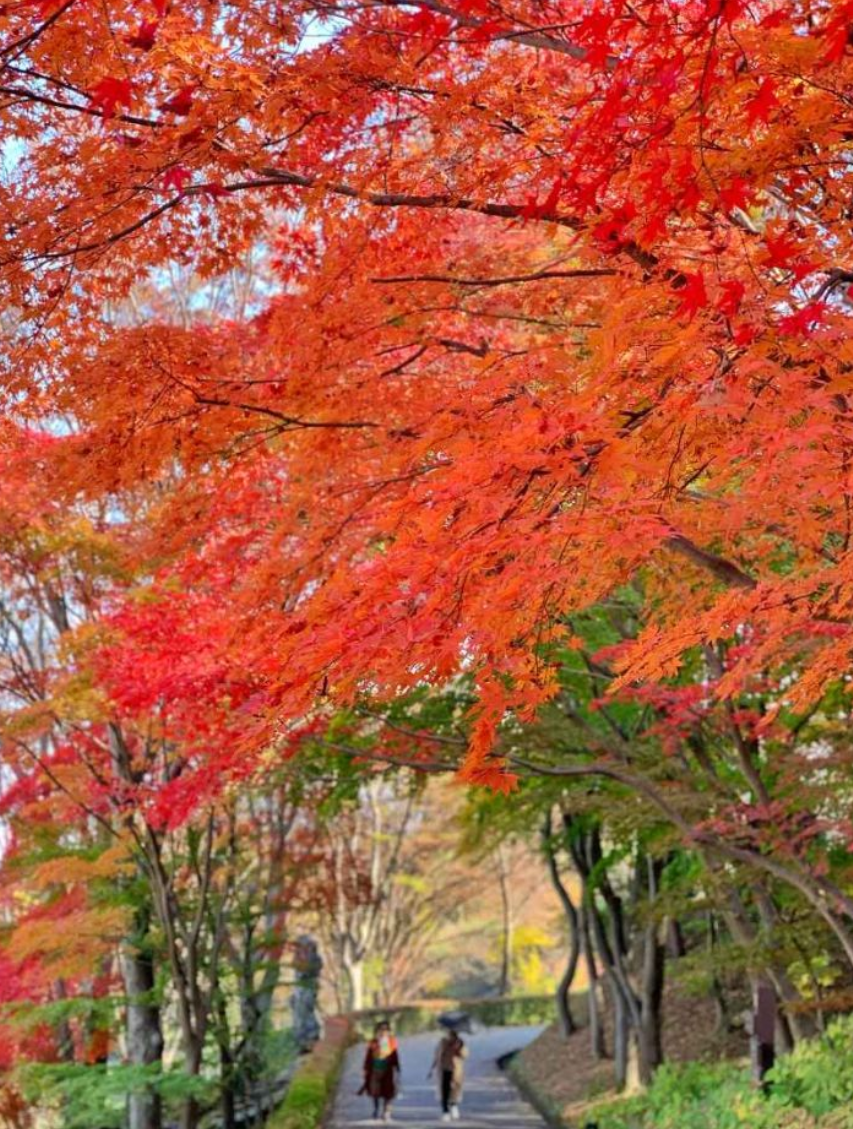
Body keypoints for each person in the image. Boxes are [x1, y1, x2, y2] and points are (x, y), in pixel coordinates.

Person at [360, 1020, 401, 1122]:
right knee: (375, 1091)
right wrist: (365, 1069)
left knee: (388, 1091)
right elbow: (368, 1057)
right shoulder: (373, 1042)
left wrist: (397, 1067)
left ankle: (386, 1111)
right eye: (381, 1029)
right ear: (377, 1031)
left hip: (388, 1070)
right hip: (375, 1070)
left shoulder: (391, 1042)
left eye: (386, 1029)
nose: (383, 1032)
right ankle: (376, 1109)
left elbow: (395, 1056)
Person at [429, 1027, 467, 1122]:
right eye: (449, 1033)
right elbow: (437, 1054)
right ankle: (445, 1111)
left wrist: (458, 1049)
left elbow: (464, 1055)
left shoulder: (460, 1042)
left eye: (453, 1034)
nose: (450, 1035)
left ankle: (454, 1106)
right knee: (444, 1090)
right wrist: (433, 1066)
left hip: (455, 1069)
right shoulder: (443, 1042)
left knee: (455, 1089)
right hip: (444, 1068)